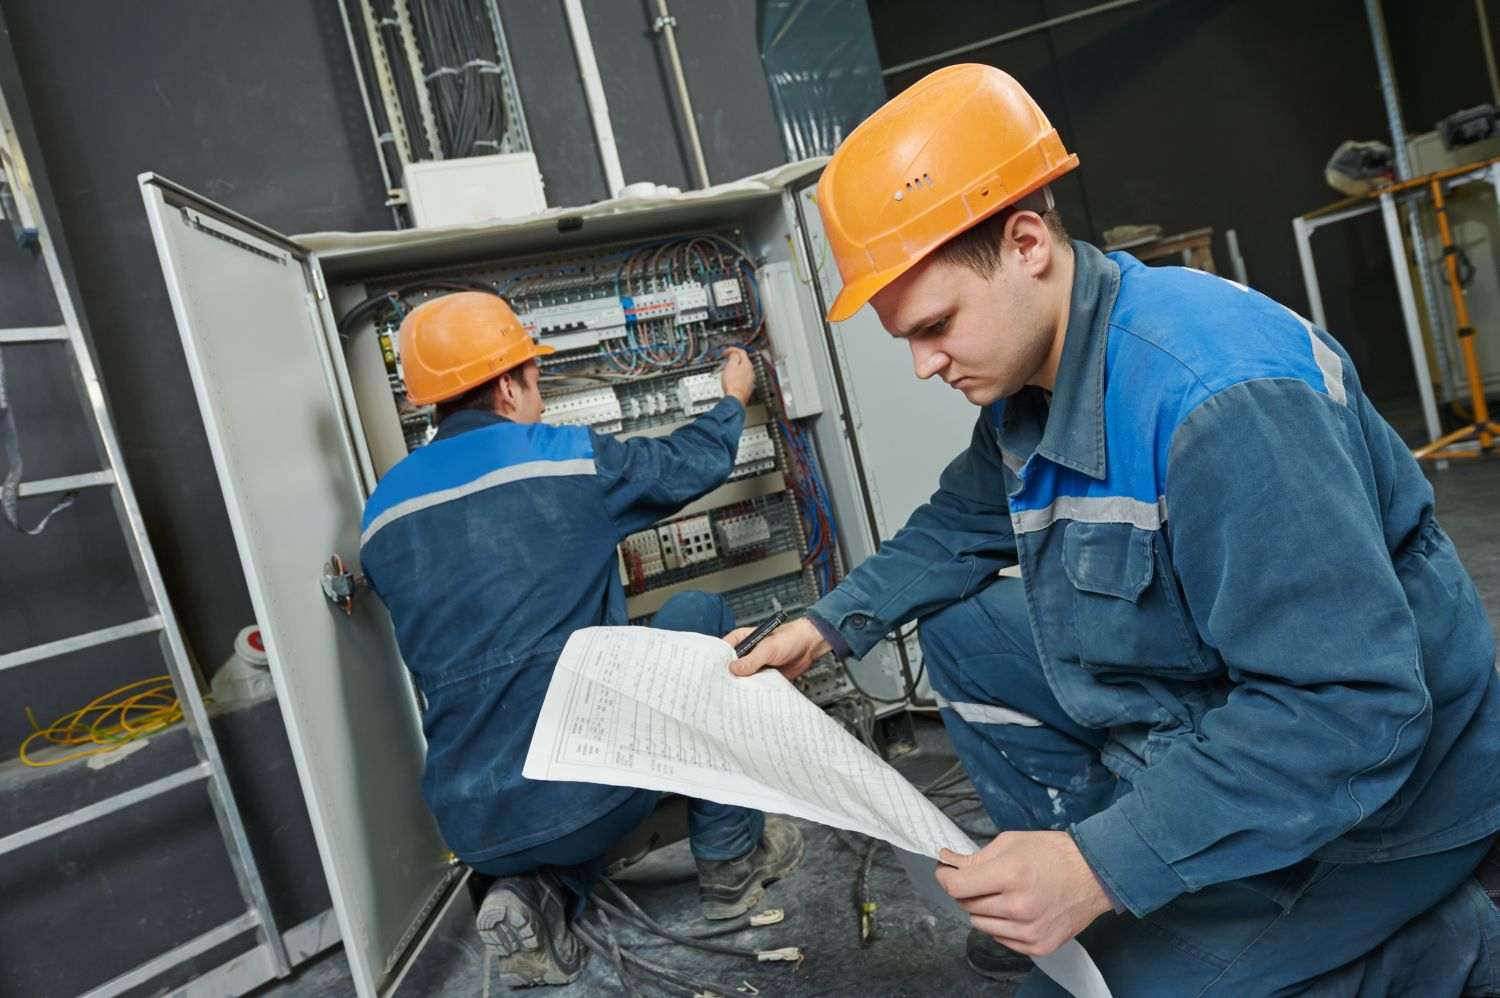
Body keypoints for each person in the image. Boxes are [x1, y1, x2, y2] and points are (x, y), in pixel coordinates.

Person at [726, 64, 1500, 995]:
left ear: (1026, 243)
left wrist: (1102, 865)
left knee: (1081, 989)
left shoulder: (1223, 405)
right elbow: (956, 527)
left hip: (1389, 804)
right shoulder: (1039, 383)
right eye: (908, 341)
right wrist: (821, 627)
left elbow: (1349, 709)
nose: (926, 363)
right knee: (966, 630)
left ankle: (1440, 940)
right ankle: (1125, 879)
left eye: (936, 326)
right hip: (1218, 709)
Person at [359, 292, 803, 988]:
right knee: (701, 614)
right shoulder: (562, 460)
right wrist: (731, 397)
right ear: (508, 386)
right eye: (537, 383)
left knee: (549, 796)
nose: (541, 403)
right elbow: (693, 462)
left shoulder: (382, 511)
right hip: (594, 794)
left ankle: (532, 894)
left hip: (472, 823)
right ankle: (732, 863)